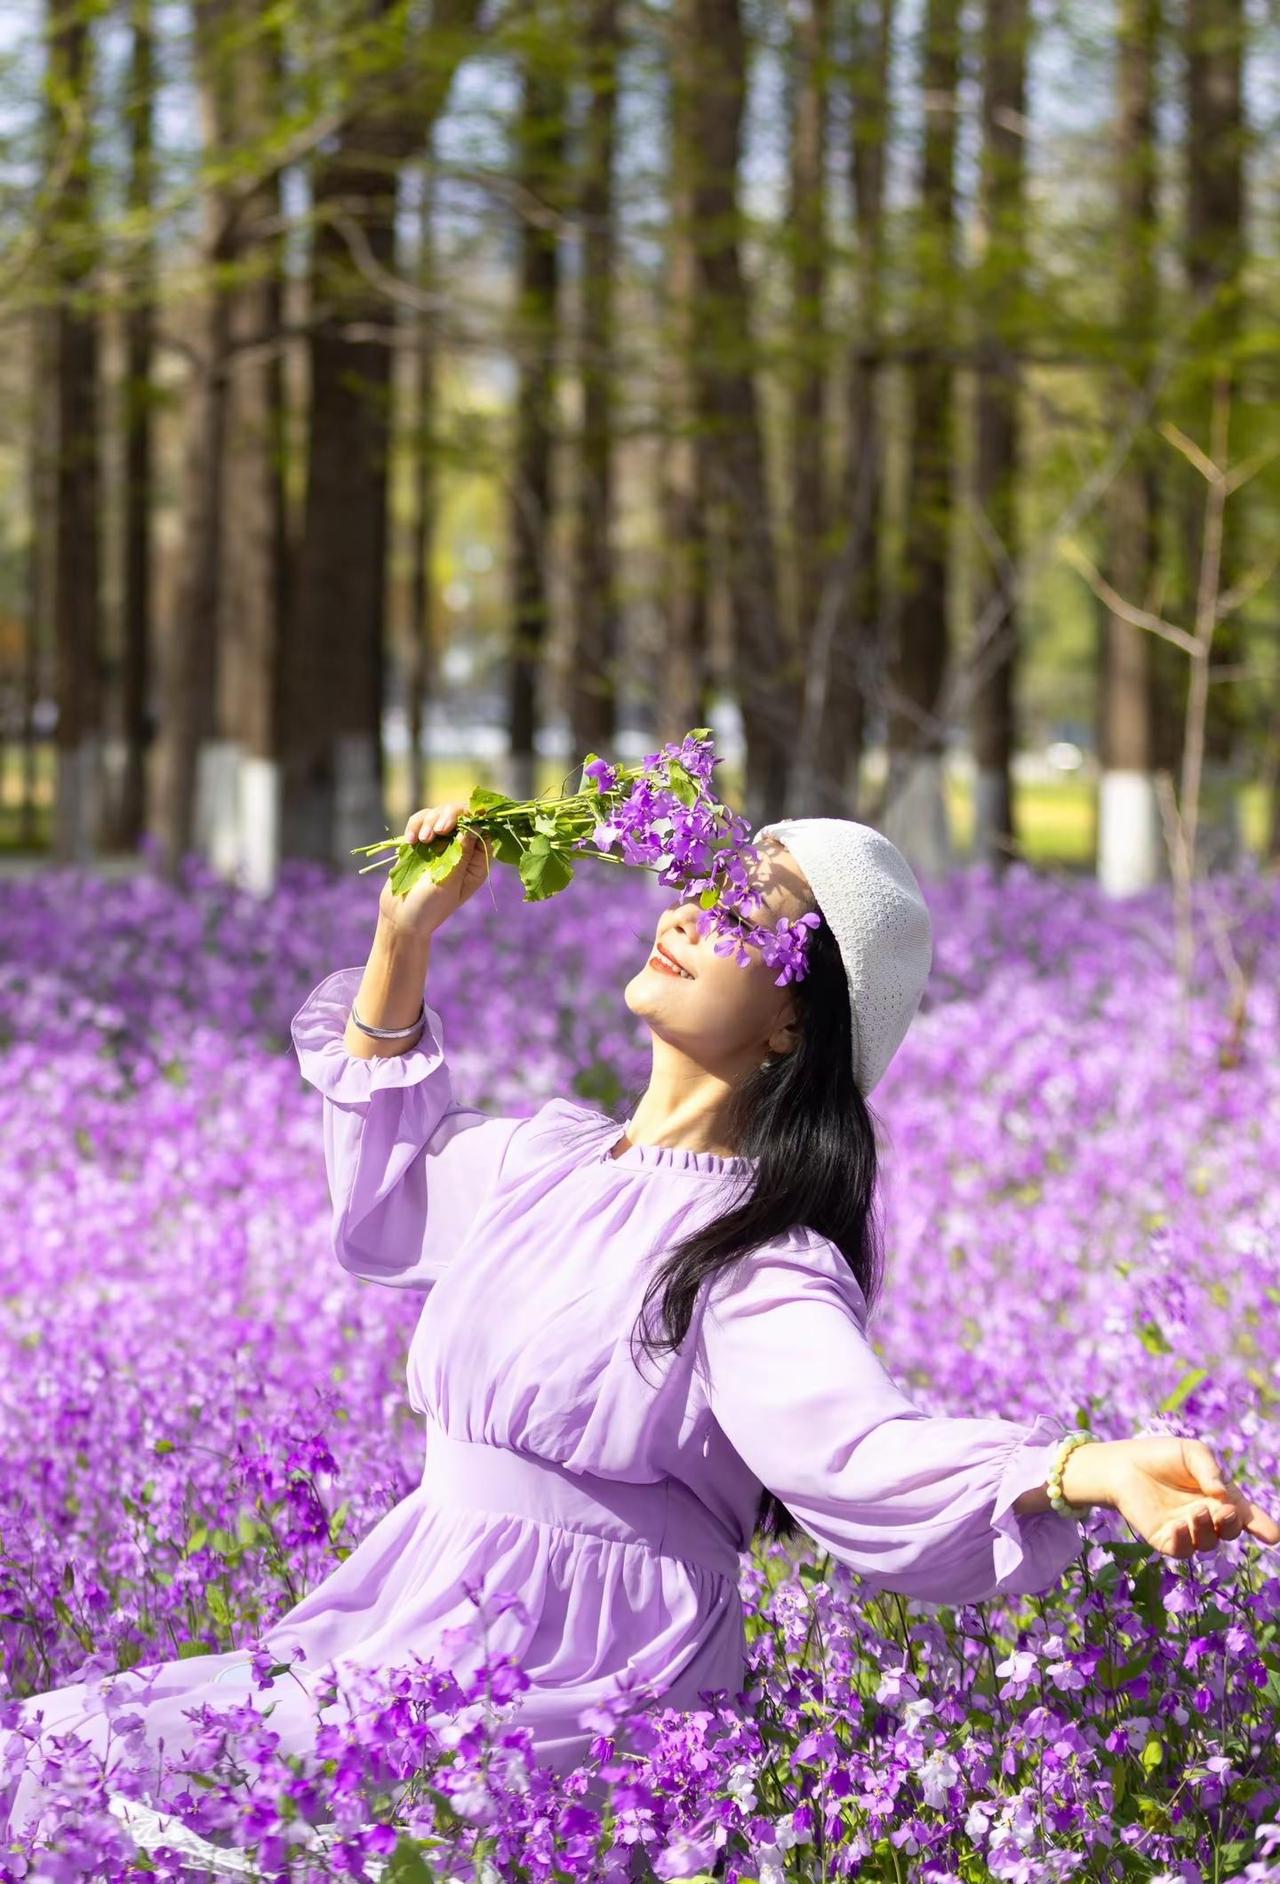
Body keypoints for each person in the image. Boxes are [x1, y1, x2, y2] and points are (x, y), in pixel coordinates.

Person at [4, 806, 1275, 1855]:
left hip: (585, 1681)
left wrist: (1086, 1468)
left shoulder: (758, 1259)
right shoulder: (546, 1163)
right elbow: (384, 1201)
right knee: (57, 1755)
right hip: (416, 1620)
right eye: (698, 885)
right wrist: (405, 935)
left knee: (117, 1790)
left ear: (793, 1018)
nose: (683, 912)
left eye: (745, 909)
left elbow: (854, 1453)